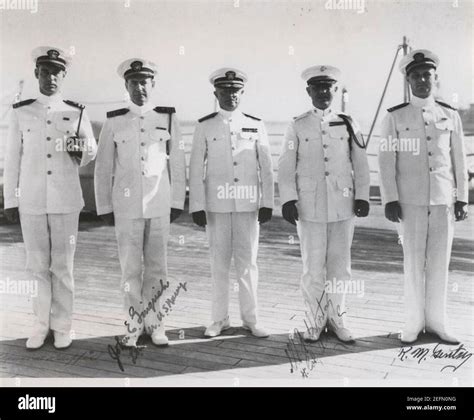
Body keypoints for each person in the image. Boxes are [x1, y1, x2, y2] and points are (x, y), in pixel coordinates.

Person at [3, 46, 97, 350]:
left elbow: (92, 150)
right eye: (45, 71)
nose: (51, 77)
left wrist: (78, 152)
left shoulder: (76, 110)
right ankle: (40, 325)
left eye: (57, 72)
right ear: (36, 74)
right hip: (31, 200)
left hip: (66, 200)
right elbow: (12, 159)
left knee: (63, 266)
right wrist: (11, 202)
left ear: (64, 75)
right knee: (36, 266)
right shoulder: (21, 111)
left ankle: (62, 326)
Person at [94, 58, 186, 347]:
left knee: (158, 268)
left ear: (153, 84)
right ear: (126, 85)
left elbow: (179, 163)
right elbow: (103, 166)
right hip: (127, 206)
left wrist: (176, 202)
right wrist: (104, 207)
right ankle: (133, 325)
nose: (139, 87)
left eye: (144, 82)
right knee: (130, 269)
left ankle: (156, 324)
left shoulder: (167, 118)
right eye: (134, 82)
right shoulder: (114, 120)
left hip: (159, 204)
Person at [379, 49, 468, 344]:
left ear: (435, 78)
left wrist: (462, 199)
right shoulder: (395, 117)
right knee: (414, 262)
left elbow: (459, 160)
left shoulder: (449, 115)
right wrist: (390, 198)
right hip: (410, 202)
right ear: (408, 81)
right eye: (415, 76)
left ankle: (438, 322)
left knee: (440, 262)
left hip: (443, 200)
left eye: (426, 75)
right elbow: (386, 159)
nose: (421, 80)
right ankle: (413, 323)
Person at [278, 65, 370, 343]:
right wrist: (288, 199)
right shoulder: (298, 124)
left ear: (335, 90)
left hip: (343, 204)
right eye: (317, 88)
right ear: (309, 91)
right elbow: (285, 165)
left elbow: (360, 162)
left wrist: (363, 195)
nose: (323, 92)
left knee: (340, 267)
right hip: (310, 206)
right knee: (313, 267)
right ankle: (316, 320)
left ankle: (338, 317)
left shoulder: (349, 123)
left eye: (328, 87)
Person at [189, 68, 274, 338]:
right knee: (219, 264)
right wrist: (197, 205)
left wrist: (267, 202)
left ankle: (251, 319)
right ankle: (219, 319)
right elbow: (195, 168)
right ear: (216, 93)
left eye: (235, 90)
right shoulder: (205, 125)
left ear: (242, 93)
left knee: (248, 264)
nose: (230, 95)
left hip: (248, 206)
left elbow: (267, 167)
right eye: (225, 90)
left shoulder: (256, 124)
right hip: (216, 207)